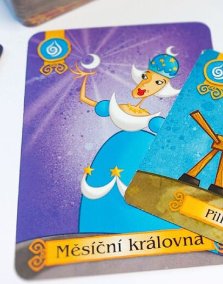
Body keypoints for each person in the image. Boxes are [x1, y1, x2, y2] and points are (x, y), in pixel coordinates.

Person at [71, 51, 180, 234]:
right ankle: (101, 228)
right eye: (147, 77)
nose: (149, 85)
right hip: (115, 152)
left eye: (158, 83)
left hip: (143, 151)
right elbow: (84, 99)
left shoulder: (153, 121)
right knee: (105, 190)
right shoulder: (116, 108)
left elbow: (171, 133)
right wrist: (84, 79)